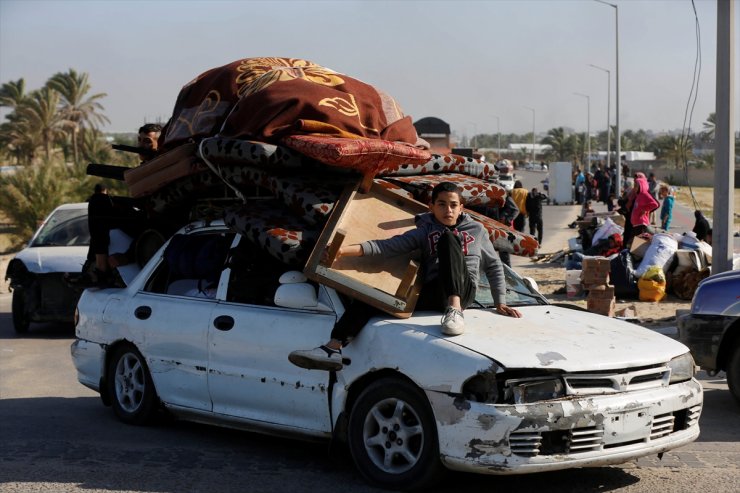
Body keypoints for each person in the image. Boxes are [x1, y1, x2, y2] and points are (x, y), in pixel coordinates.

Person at [288, 182, 523, 371]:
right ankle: (332, 348)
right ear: (432, 206)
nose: (447, 210)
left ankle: (455, 309)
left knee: (450, 238)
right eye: (441, 204)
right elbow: (387, 246)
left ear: (462, 207)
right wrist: (341, 249)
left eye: (453, 205)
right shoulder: (424, 231)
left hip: (464, 291)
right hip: (434, 291)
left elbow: (494, 266)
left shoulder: (476, 230)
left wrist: (500, 301)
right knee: (375, 296)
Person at [624, 172, 659, 248]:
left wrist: (645, 210)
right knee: (631, 245)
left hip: (641, 224)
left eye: (636, 185)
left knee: (635, 246)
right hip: (635, 224)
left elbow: (655, 204)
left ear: (641, 185)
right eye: (635, 185)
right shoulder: (637, 195)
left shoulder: (644, 194)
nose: (635, 187)